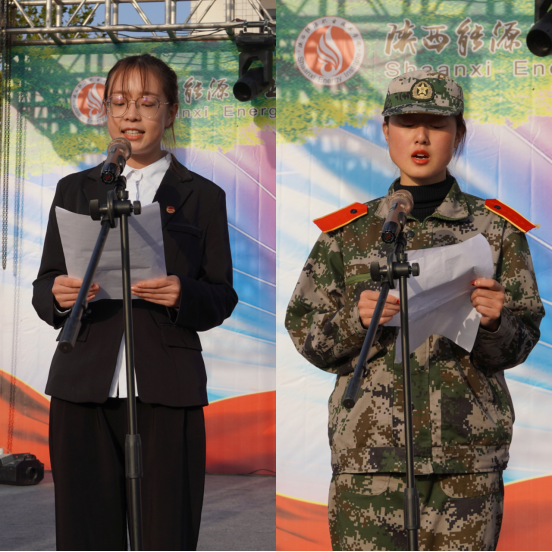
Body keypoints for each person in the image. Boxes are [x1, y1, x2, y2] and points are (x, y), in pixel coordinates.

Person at [285, 70, 545, 551]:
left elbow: (521, 340)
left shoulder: (496, 230)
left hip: (464, 462)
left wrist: (495, 321)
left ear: (458, 133)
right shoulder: (349, 233)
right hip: (370, 461)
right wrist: (355, 320)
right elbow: (306, 333)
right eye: (406, 123)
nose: (421, 137)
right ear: (386, 131)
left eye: (437, 124)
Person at [33, 53, 238, 551]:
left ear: (171, 112)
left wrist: (183, 292)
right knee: (85, 534)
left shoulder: (202, 196)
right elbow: (45, 286)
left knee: (167, 532)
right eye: (119, 102)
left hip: (168, 387)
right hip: (83, 384)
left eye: (147, 103)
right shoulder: (74, 189)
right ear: (105, 110)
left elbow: (221, 294)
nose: (131, 115)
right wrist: (59, 294)